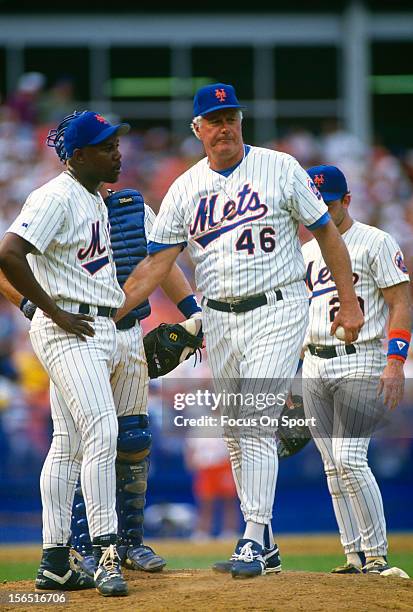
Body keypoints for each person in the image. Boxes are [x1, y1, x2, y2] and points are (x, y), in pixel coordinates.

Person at [110, 83, 364, 579]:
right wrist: (114, 312)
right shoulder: (184, 188)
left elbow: (327, 233)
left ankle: (252, 533)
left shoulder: (281, 167)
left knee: (253, 420)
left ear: (241, 121)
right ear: (198, 129)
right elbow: (158, 262)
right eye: (214, 119)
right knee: (234, 432)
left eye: (231, 117)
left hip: (278, 305)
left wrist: (349, 303)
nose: (224, 126)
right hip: (220, 318)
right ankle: (265, 543)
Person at [0, 111, 203, 592]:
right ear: (78, 155)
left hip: (106, 326)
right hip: (73, 324)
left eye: (117, 144)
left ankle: (55, 560)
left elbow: (157, 259)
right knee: (102, 429)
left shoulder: (101, 200)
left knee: (69, 443)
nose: (118, 152)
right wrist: (47, 309)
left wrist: (191, 310)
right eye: (107, 146)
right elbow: (8, 253)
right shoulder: (53, 196)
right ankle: (105, 551)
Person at [302, 164, 411, 575]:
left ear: (346, 200)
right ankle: (352, 557)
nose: (322, 213)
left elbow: (401, 301)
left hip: (361, 355)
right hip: (314, 359)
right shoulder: (306, 250)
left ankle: (378, 555)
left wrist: (396, 361)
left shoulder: (375, 241)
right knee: (332, 465)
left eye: (328, 204)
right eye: (315, 205)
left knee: (349, 457)